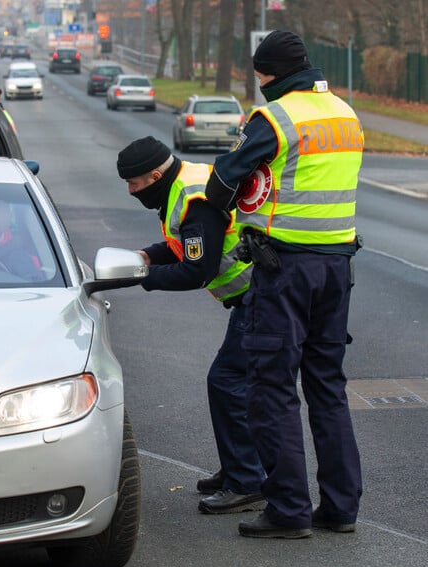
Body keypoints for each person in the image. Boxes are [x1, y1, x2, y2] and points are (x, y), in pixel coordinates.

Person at [204, 31, 364, 539]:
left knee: (271, 388)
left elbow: (223, 180)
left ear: (269, 72)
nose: (259, 83)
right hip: (338, 267)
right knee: (327, 388)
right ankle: (340, 508)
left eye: (259, 75)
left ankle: (289, 509)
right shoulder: (345, 113)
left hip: (285, 269)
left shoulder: (275, 117)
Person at [116, 136, 263, 515]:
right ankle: (238, 469)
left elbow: (198, 269)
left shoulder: (193, 198)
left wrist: (141, 276)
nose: (132, 192)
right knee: (236, 384)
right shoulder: (184, 183)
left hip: (261, 295)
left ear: (154, 175)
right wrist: (146, 255)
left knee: (229, 382)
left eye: (134, 185)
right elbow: (185, 244)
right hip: (255, 294)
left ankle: (247, 482)